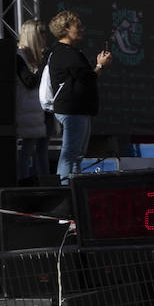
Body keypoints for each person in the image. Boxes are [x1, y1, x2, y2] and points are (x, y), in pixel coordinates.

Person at [46, 10, 112, 183]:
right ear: (66, 29)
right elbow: (88, 78)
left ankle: (73, 189)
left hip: (76, 109)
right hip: (73, 109)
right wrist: (100, 66)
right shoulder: (66, 53)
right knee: (71, 154)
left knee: (76, 154)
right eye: (78, 26)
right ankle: (65, 189)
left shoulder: (66, 52)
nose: (82, 29)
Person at [15, 19, 50, 184]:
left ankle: (43, 182)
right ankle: (22, 182)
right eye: (41, 34)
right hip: (26, 111)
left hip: (38, 111)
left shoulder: (33, 58)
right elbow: (29, 82)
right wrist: (43, 66)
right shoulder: (19, 57)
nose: (44, 38)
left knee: (41, 151)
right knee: (27, 151)